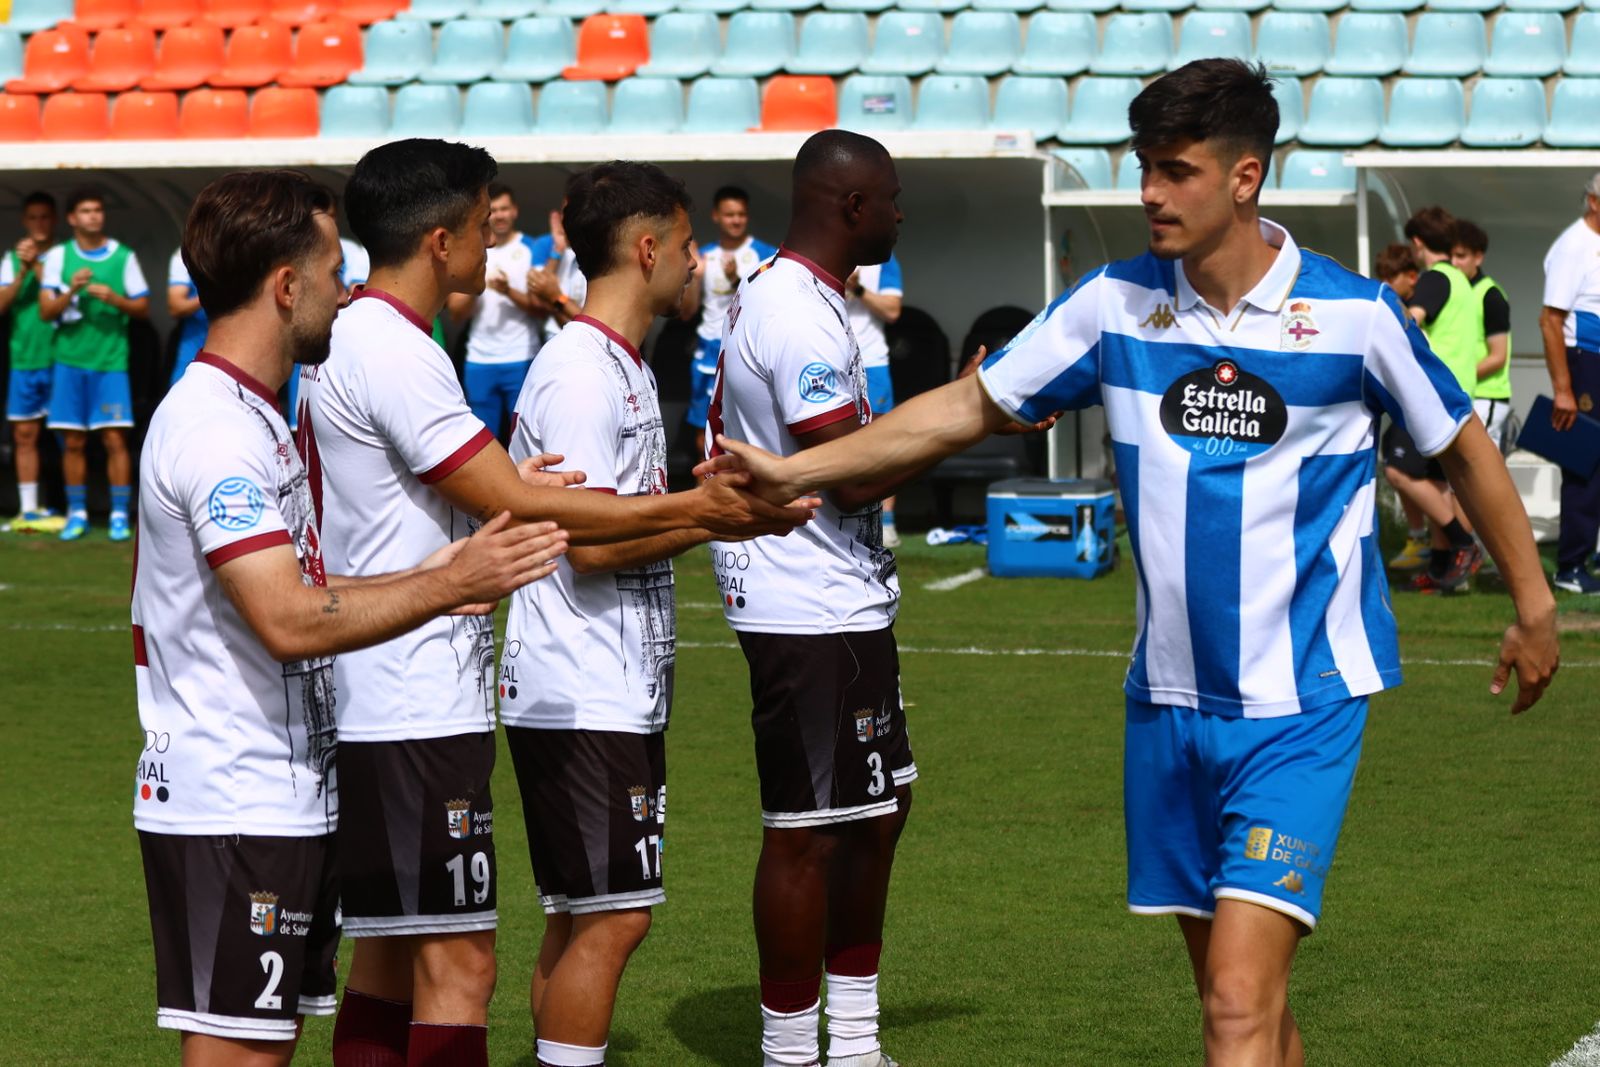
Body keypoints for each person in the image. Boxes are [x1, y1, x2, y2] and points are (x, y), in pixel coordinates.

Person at [704, 64, 1560, 1067]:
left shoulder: (1354, 316)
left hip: (1301, 704)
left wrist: (1533, 604)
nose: (1148, 192)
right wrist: (797, 467)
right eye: (1142, 167)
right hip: (1165, 704)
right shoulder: (1111, 304)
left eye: (1173, 170)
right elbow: (965, 407)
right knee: (1245, 1005)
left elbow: (1462, 443)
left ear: (1244, 177)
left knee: (1236, 1005)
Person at [299, 138, 812, 1067]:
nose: (499, 251)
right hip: (416, 687)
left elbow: (473, 492)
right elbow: (554, 523)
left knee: (394, 951)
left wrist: (503, 486)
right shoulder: (412, 350)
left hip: (403, 682)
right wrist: (707, 511)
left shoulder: (383, 341)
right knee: (463, 964)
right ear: (446, 240)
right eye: (485, 226)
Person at [132, 168, 567, 1067]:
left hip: (279, 792)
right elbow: (288, 619)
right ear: (286, 286)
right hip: (233, 799)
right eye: (333, 269)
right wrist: (449, 585)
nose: (348, 287)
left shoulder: (252, 413)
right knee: (241, 1053)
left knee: (278, 1037)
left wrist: (442, 565)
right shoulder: (216, 433)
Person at [704, 129, 914, 1067]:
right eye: (893, 199)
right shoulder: (792, 309)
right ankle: (792, 1051)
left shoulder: (811, 300)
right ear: (854, 207)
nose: (902, 214)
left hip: (846, 597)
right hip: (805, 603)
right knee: (807, 832)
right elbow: (853, 474)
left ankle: (857, 1040)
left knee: (876, 812)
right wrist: (957, 414)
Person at [500, 161, 711, 1067]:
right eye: (690, 243)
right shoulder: (582, 373)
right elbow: (583, 545)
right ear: (648, 247)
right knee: (618, 916)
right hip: (581, 683)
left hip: (603, 678)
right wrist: (715, 517)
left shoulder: (612, 361)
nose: (698, 263)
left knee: (581, 914)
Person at [38, 187, 149, 543]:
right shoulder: (58, 257)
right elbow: (46, 311)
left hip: (110, 363)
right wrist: (71, 291)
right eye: (85, 210)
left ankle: (119, 514)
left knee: (115, 439)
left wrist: (115, 299)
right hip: (69, 362)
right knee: (72, 442)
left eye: (98, 209)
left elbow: (143, 308)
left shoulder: (123, 257)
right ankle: (78, 513)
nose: (93, 216)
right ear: (71, 218)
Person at [1384, 206, 1482, 591]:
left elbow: (1411, 320)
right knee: (1439, 484)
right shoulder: (1462, 281)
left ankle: (1462, 542)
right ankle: (1443, 570)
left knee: (1397, 470)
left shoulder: (1435, 279)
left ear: (1418, 243)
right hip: (1459, 393)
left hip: (1431, 395)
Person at [678, 185, 777, 458]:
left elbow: (770, 303)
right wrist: (695, 279)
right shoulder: (704, 256)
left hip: (749, 348)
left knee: (750, 428)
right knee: (704, 432)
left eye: (741, 214)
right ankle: (707, 491)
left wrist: (736, 280)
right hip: (710, 349)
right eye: (729, 214)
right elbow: (687, 312)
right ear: (716, 216)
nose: (736, 220)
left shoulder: (765, 255)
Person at [447, 182, 550, 441]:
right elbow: (456, 313)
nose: (500, 216)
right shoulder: (472, 250)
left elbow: (543, 310)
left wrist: (508, 292)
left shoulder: (532, 248)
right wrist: (475, 287)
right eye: (494, 210)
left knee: (525, 437)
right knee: (483, 439)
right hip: (479, 360)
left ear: (514, 211)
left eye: (505, 209)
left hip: (522, 356)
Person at [1539, 172, 1600, 594]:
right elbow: (1550, 321)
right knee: (1585, 462)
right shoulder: (1573, 246)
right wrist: (1563, 389)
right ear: (1594, 202)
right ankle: (1570, 566)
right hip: (1585, 361)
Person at [0, 190, 62, 532]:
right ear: (25, 221)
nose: (39, 223)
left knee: (69, 437)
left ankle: (71, 508)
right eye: (33, 217)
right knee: (24, 434)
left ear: (54, 220)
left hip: (63, 356)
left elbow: (63, 299)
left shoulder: (66, 255)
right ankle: (28, 510)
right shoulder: (13, 259)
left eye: (45, 216)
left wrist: (37, 265)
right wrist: (22, 271)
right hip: (25, 358)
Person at [1373, 243, 1428, 569]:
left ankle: (1459, 539)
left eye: (1391, 276)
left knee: (1396, 471)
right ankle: (1421, 538)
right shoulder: (1396, 303)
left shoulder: (1418, 305)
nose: (1386, 283)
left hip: (1421, 402)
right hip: (1400, 403)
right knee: (1399, 467)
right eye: (1382, 276)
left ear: (1412, 276)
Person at [846, 253, 903, 546]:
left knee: (883, 442)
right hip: (830, 362)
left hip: (872, 363)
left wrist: (857, 289)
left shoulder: (883, 261)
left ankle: (886, 521)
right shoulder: (823, 254)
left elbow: (893, 311)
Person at [1451, 220, 1513, 453]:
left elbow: (1498, 356)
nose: (1454, 263)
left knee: (1481, 479)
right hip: (1465, 395)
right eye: (1451, 257)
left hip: (1486, 398)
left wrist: (1452, 378)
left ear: (1478, 257)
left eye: (1461, 256)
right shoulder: (1457, 292)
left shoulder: (1490, 295)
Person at [529, 204, 586, 342]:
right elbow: (536, 298)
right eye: (566, 213)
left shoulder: (604, 256)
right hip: (556, 335)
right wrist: (557, 250)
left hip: (589, 341)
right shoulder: (561, 252)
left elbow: (592, 324)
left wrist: (557, 298)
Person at [166, 246, 207, 387]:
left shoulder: (243, 247)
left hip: (240, 351)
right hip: (193, 349)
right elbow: (175, 307)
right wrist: (213, 291)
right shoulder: (186, 253)